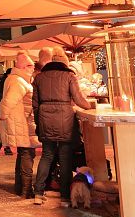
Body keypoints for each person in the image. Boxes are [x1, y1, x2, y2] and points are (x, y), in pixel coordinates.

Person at [32, 48, 92, 207]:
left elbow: (35, 105)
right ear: (64, 63)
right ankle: (65, 197)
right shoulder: (69, 76)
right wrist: (90, 106)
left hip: (45, 119)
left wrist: (39, 123)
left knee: (46, 156)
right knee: (65, 158)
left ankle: (38, 193)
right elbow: (79, 99)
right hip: (65, 120)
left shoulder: (39, 78)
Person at [0, 52, 38, 198]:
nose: (33, 68)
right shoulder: (18, 81)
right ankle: (26, 190)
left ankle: (20, 187)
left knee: (23, 154)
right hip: (21, 123)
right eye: (30, 65)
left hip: (22, 122)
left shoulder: (20, 79)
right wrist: (3, 116)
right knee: (27, 153)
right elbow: (8, 102)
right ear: (23, 66)